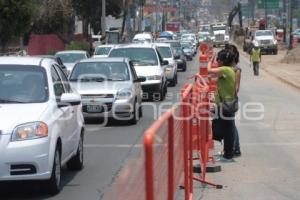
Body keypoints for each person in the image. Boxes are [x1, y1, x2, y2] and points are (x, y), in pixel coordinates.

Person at [208, 49, 237, 161]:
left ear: (223, 61)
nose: (217, 61)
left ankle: (228, 155)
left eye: (218, 59)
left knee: (228, 130)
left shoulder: (225, 69)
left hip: (226, 105)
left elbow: (209, 71)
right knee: (226, 129)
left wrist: (210, 60)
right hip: (224, 105)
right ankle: (227, 153)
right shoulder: (228, 70)